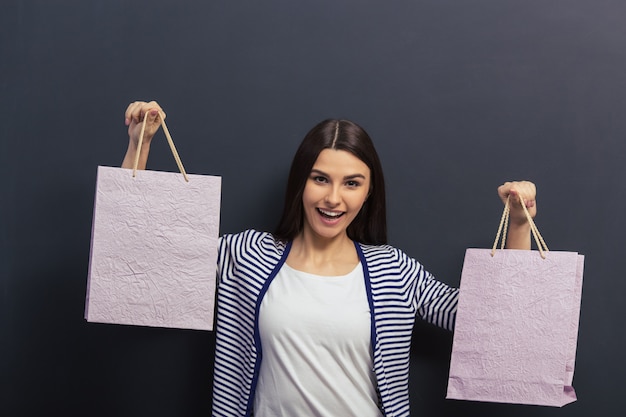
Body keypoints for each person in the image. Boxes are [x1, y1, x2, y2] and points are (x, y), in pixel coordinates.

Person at [121, 101, 536, 417]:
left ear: (369, 192)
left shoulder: (393, 269)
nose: (333, 198)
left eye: (351, 183)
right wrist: (140, 144)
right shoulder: (245, 255)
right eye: (320, 179)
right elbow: (144, 259)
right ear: (301, 182)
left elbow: (489, 324)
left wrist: (518, 225)